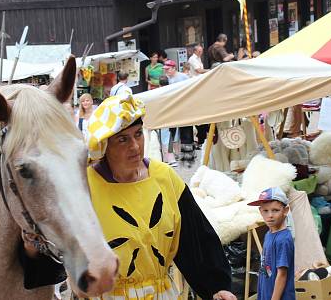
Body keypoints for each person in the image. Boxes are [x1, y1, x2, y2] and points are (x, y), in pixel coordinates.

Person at [84, 94, 236, 300]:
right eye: (122, 139)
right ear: (104, 146)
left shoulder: (165, 177)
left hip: (162, 294)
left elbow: (195, 236)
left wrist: (217, 286)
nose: (135, 146)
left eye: (138, 134)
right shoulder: (85, 188)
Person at [248, 187, 295, 300]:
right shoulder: (268, 234)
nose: (270, 215)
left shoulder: (283, 239)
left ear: (285, 210)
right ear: (260, 211)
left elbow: (282, 274)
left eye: (275, 210)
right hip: (266, 292)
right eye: (265, 211)